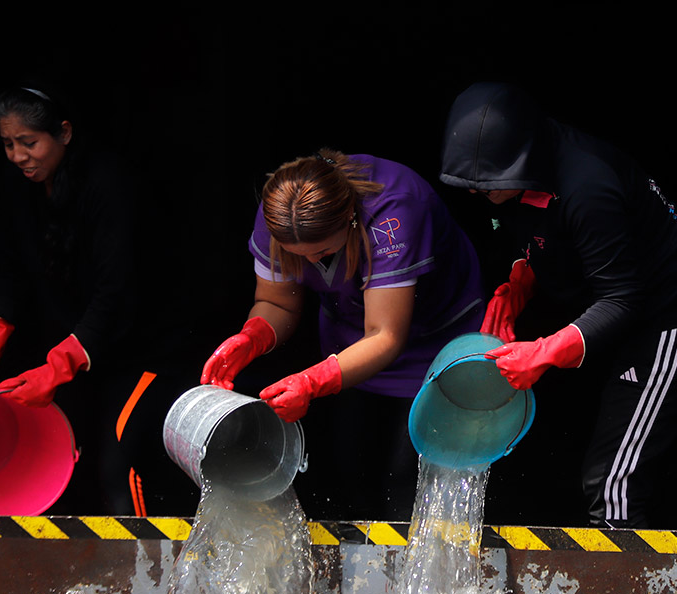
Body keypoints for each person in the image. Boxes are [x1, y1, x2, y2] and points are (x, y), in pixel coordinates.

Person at [439, 83, 677, 529]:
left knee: (613, 477)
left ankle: (621, 592)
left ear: (523, 164)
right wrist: (517, 284)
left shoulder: (587, 186)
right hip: (597, 298)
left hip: (669, 312)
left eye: (489, 187)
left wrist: (543, 352)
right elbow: (537, 237)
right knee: (562, 444)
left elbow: (623, 299)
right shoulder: (509, 179)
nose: (478, 195)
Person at [201, 149, 482, 519]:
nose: (312, 263)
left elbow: (385, 335)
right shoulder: (280, 218)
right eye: (296, 255)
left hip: (434, 335)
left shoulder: (394, 212)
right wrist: (251, 339)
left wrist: (312, 381)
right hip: (348, 336)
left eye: (323, 252)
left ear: (350, 219)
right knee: (348, 467)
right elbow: (279, 305)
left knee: (408, 476)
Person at [0, 86, 195, 515]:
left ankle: (145, 575)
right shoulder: (17, 184)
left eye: (29, 143)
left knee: (117, 464)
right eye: (8, 144)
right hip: (78, 349)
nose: (18, 156)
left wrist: (60, 364)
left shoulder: (108, 183)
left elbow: (117, 293)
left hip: (143, 348)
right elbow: (11, 265)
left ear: (63, 133)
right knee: (60, 459)